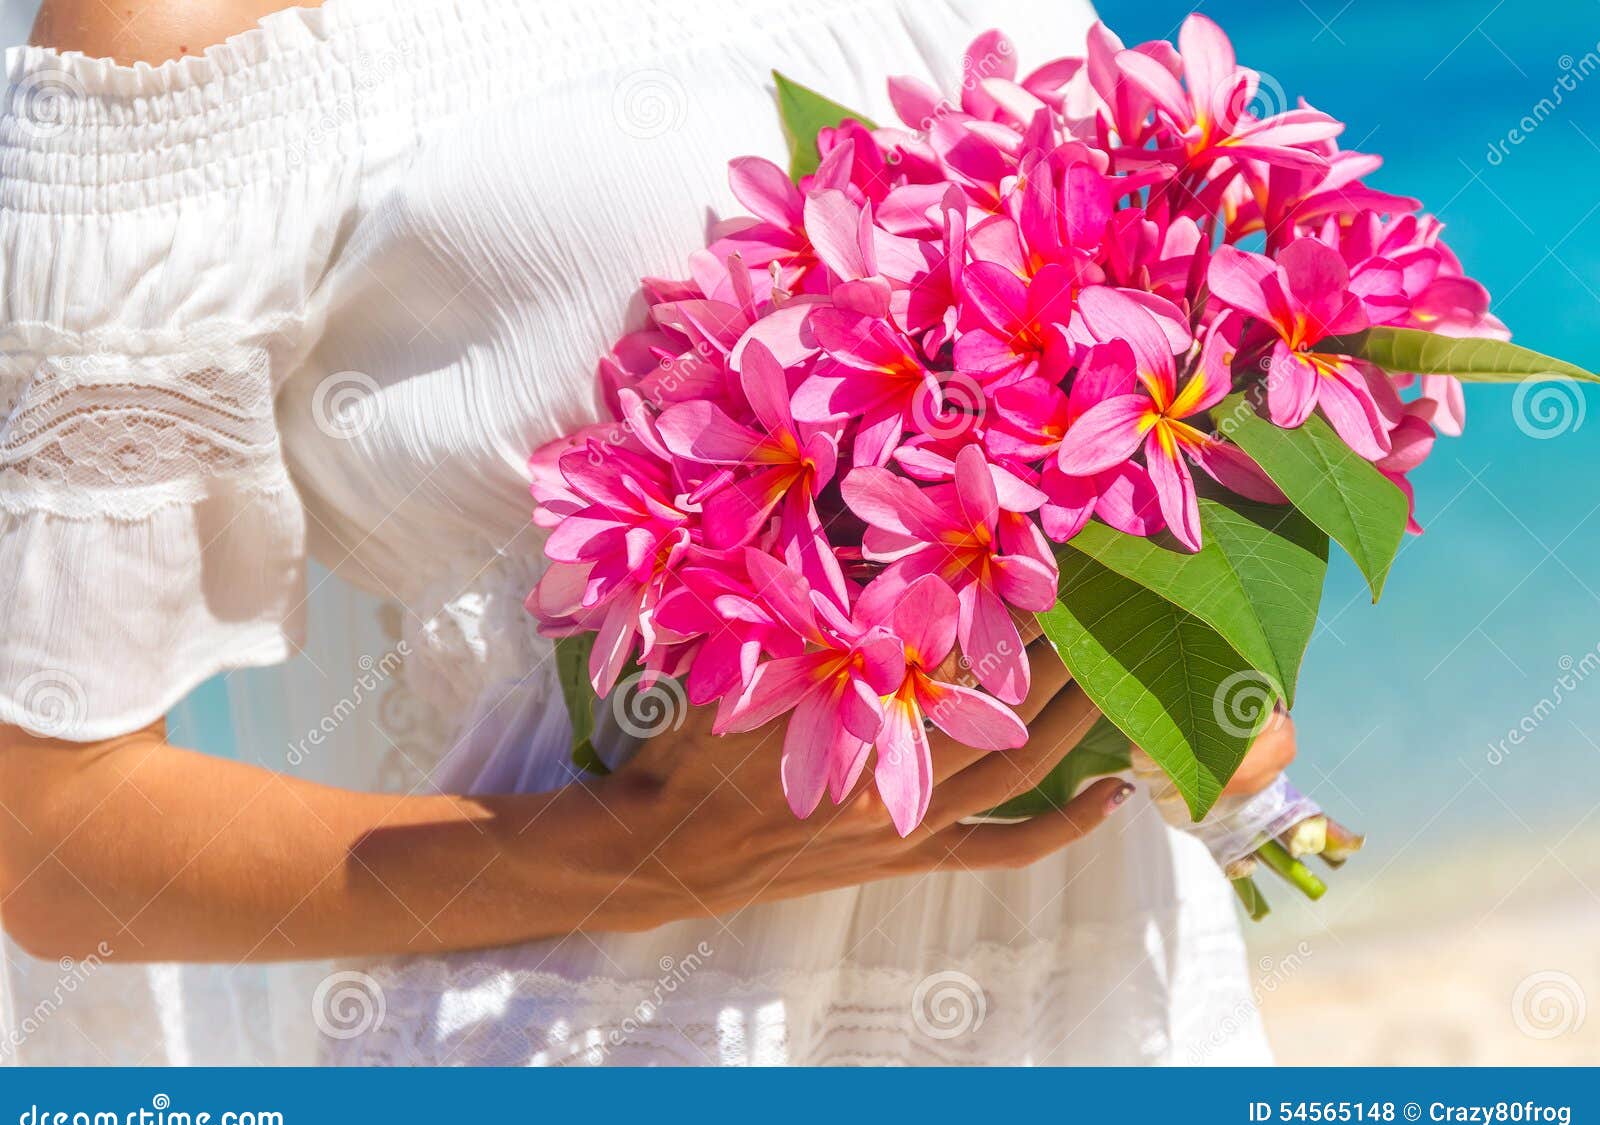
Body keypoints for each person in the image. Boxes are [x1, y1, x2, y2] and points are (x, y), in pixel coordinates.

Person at [0, 0, 1294, 1065]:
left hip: (1118, 1002)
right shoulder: (176, 29)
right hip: (619, 1040)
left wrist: (1199, 642)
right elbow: (58, 840)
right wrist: (643, 853)